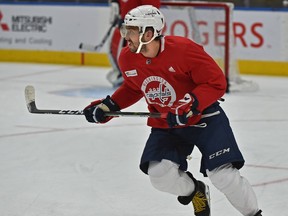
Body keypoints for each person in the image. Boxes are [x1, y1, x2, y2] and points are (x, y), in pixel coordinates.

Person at [84, 5, 263, 216]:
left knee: (223, 176)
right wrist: (109, 106)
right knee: (159, 175)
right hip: (167, 124)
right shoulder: (127, 57)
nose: (126, 36)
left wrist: (190, 104)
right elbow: (134, 87)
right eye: (126, 30)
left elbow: (216, 82)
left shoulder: (184, 50)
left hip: (204, 118)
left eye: (131, 31)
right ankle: (196, 190)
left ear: (148, 33)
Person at [107, 0, 161, 87]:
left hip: (138, 29)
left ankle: (142, 77)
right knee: (122, 51)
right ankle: (127, 75)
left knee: (139, 53)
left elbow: (151, 12)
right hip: (129, 26)